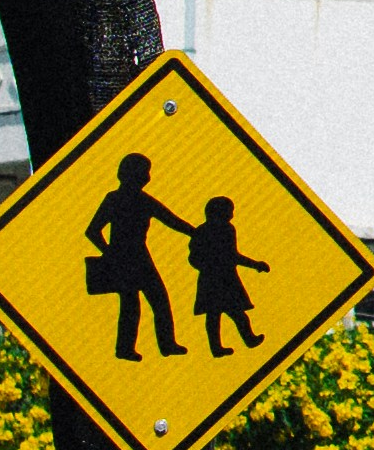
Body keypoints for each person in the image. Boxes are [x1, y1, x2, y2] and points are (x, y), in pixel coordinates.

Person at [82, 154, 182, 361]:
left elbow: (171, 220)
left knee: (157, 300)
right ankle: (126, 349)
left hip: (139, 256)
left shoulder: (144, 200)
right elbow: (92, 231)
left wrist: (196, 232)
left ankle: (167, 345)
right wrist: (110, 253)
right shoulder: (114, 199)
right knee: (133, 304)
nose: (147, 177)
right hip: (125, 258)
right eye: (144, 172)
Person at [181, 187, 262, 359]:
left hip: (223, 278)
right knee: (217, 315)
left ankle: (247, 339)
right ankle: (221, 347)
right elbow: (194, 256)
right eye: (228, 212)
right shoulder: (208, 231)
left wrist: (254, 264)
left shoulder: (227, 229)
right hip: (217, 279)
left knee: (230, 314)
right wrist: (208, 266)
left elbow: (233, 255)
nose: (231, 215)